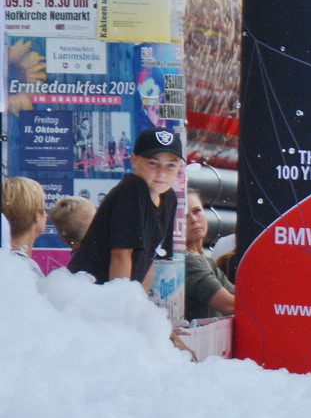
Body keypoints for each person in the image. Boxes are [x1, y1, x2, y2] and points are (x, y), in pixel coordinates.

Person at [67, 127, 181, 286]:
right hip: (89, 291)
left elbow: (151, 261)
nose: (162, 173)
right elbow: (121, 254)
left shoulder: (169, 197)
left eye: (170, 165)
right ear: (134, 160)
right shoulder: (132, 190)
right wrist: (122, 307)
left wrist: (141, 303)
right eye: (153, 163)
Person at [183, 188, 235, 318]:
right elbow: (229, 305)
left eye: (197, 211)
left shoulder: (204, 260)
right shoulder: (187, 261)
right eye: (184, 215)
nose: (194, 219)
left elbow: (240, 298)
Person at [3, 176, 47, 276]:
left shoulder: (6, 263)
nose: (46, 215)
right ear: (38, 215)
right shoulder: (28, 271)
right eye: (44, 210)